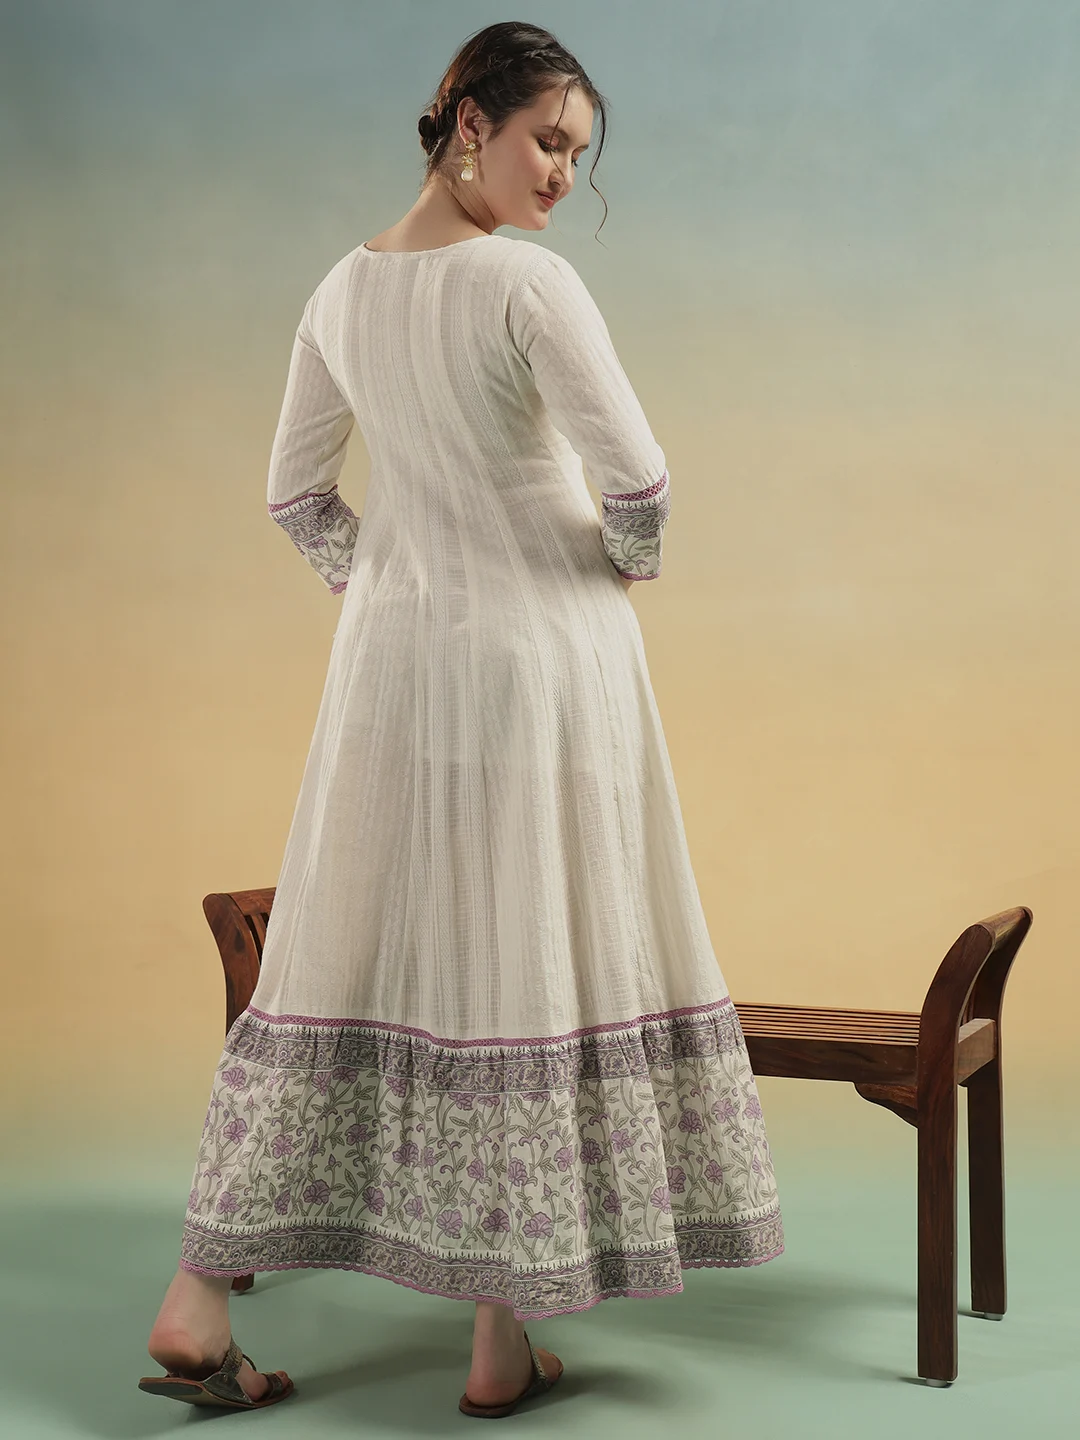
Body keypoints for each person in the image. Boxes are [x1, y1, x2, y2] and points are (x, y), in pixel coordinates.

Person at [140, 20, 784, 1420]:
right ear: (468, 121)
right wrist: (620, 568)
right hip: (545, 659)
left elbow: (294, 493)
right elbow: (641, 484)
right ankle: (498, 1341)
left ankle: (211, 1298)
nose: (562, 175)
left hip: (396, 665)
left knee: (345, 952)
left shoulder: (340, 289)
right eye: (549, 140)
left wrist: (386, 584)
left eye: (578, 155)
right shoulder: (526, 283)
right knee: (526, 947)